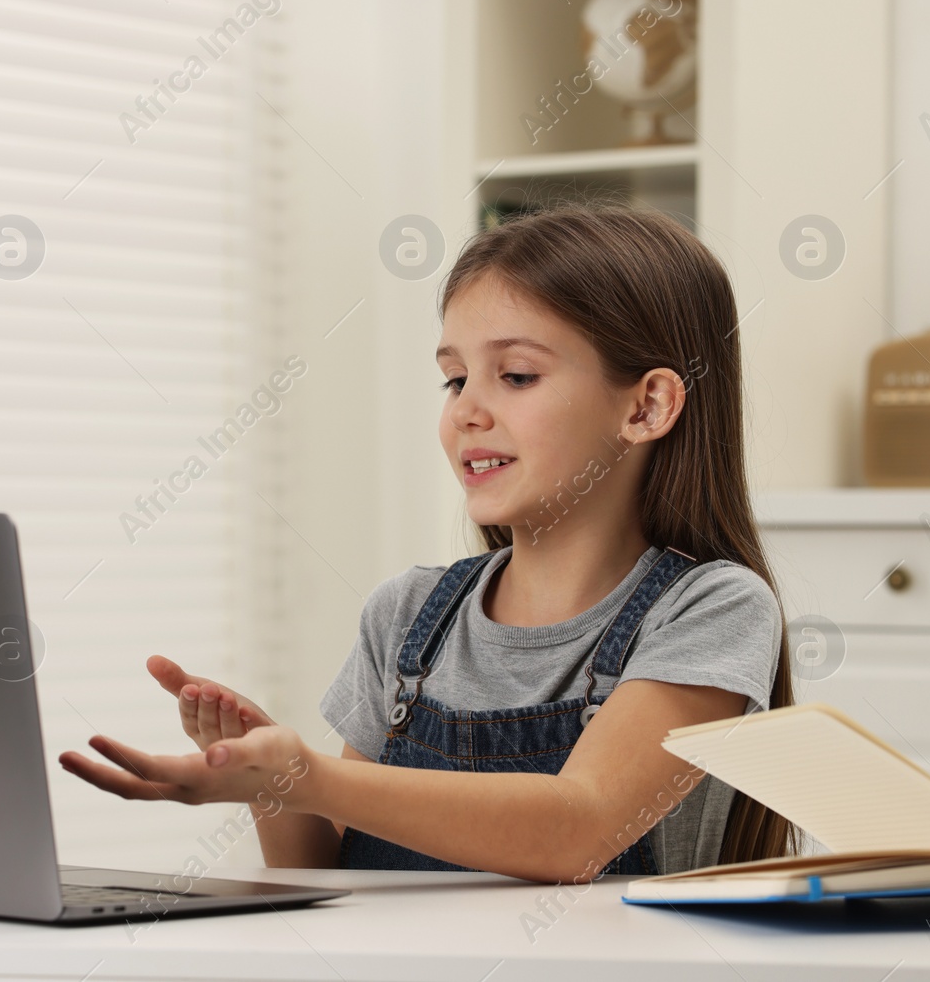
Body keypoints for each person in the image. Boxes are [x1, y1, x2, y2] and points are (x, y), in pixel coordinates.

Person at [57, 204, 801, 881]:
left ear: (648, 403)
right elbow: (324, 871)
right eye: (453, 380)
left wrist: (310, 772)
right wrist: (273, 786)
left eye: (514, 374)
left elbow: (579, 828)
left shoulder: (712, 608)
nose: (467, 411)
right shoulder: (409, 615)